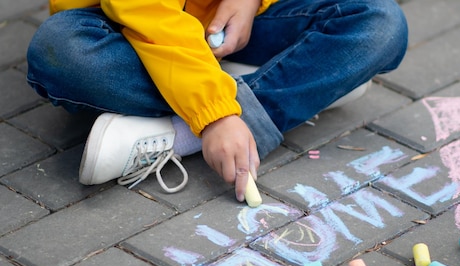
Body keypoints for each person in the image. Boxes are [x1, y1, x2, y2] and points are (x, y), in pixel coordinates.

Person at [27, 0, 408, 201]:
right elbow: (148, 17)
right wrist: (214, 116)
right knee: (60, 52)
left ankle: (180, 132)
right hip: (126, 27)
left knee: (379, 20)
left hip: (235, 19)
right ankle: (290, 84)